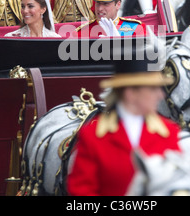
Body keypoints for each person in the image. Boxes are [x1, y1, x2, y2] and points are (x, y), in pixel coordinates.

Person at [66, 53, 180, 196]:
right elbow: (81, 191)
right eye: (152, 89)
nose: (160, 95)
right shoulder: (92, 136)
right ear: (130, 93)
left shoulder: (170, 132)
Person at [72, 0, 146, 38]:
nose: (100, 8)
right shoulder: (81, 33)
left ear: (118, 5)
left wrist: (120, 43)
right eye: (98, 3)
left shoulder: (136, 28)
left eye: (106, 4)